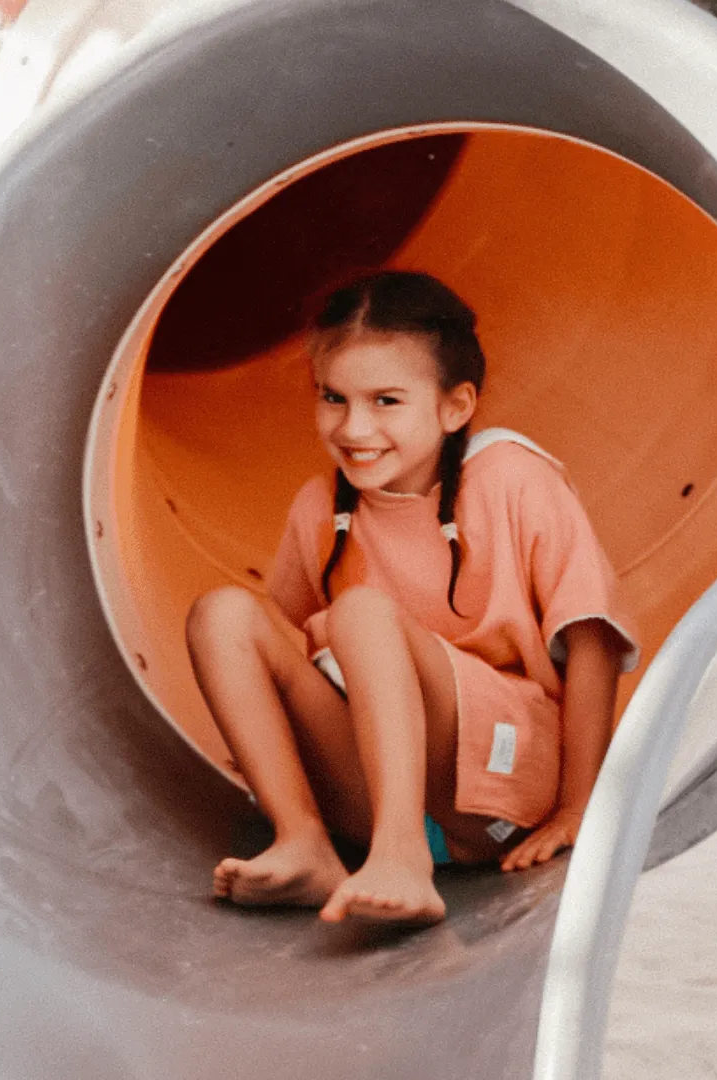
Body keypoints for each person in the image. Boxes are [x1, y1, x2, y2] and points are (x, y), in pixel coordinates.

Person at [185, 270, 640, 926]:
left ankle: (404, 858)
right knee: (221, 613)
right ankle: (304, 842)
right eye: (333, 398)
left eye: (386, 401)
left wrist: (579, 807)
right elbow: (279, 651)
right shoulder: (322, 507)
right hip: (367, 797)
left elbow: (590, 637)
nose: (353, 425)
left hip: (501, 789)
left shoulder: (512, 479)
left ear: (454, 407)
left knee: (360, 612)